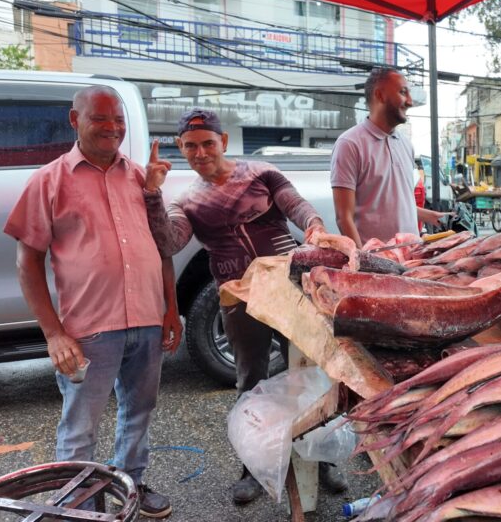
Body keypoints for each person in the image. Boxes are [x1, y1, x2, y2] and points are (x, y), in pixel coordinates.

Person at [142, 108, 348, 504]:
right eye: (190, 146)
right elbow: (169, 242)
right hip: (238, 299)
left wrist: (314, 225)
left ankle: (321, 459)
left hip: (290, 289)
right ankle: (252, 467)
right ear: (181, 148)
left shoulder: (261, 174)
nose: (200, 153)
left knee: (310, 373)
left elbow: (296, 205)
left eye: (207, 143)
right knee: (250, 381)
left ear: (223, 141)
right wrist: (152, 194)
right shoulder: (185, 201)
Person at [5, 85, 180, 519]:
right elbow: (27, 263)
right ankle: (76, 505)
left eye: (118, 120)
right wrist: (54, 334)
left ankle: (131, 483)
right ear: (75, 120)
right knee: (80, 425)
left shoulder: (139, 177)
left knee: (139, 412)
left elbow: (161, 249)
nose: (112, 128)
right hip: (90, 329)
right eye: (100, 118)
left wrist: (171, 309)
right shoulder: (49, 181)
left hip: (146, 319)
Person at [331, 67, 447, 246]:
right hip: (376, 261)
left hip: (412, 256)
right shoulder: (350, 144)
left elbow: (395, 204)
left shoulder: (406, 144)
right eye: (403, 92)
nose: (410, 102)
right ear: (380, 95)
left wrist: (429, 215)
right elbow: (343, 217)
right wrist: (363, 259)